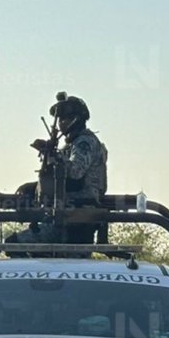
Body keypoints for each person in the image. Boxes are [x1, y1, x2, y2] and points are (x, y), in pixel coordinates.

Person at [9, 92, 109, 247]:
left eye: (66, 118)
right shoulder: (70, 145)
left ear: (77, 119)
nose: (61, 122)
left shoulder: (85, 142)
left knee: (14, 244)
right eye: (60, 118)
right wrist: (33, 188)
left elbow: (75, 172)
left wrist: (54, 155)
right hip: (64, 213)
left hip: (78, 213)